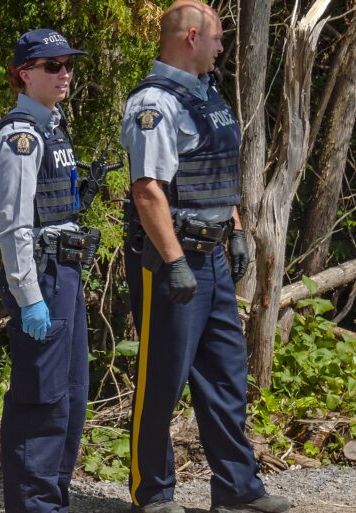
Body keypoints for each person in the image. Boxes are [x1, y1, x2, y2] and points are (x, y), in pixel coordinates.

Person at [121, 2, 290, 513]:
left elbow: (217, 170)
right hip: (170, 257)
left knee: (225, 374)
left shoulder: (205, 94)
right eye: (216, 38)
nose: (221, 47)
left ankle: (237, 489)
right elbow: (147, 190)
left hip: (213, 253)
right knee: (163, 377)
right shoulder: (154, 103)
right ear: (191, 37)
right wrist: (174, 261)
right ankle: (152, 493)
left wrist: (235, 230)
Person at [0, 29, 95, 513]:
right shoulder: (21, 137)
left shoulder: (52, 127)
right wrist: (28, 297)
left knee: (71, 395)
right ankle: (34, 505)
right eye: (53, 66)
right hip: (43, 277)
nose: (64, 73)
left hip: (65, 272)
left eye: (68, 64)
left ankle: (53, 500)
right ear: (24, 74)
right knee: (41, 400)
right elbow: (14, 226)